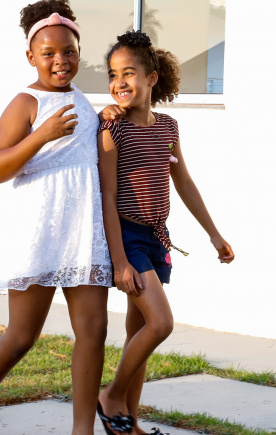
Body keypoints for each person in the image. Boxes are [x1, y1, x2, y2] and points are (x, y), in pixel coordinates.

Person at [0, 0, 127, 435]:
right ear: (31, 57)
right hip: (40, 229)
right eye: (48, 53)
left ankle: (82, 430)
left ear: (79, 53)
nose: (60, 60)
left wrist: (106, 117)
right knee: (22, 335)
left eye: (68, 51)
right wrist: (42, 134)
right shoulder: (25, 103)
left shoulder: (85, 102)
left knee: (94, 330)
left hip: (83, 231)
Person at [96, 30, 235, 435]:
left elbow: (184, 183)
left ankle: (129, 425)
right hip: (129, 238)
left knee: (138, 332)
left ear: (152, 78)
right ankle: (110, 397)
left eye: (129, 73)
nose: (119, 82)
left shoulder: (168, 127)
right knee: (161, 324)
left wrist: (214, 234)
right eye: (112, 75)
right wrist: (120, 259)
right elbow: (107, 196)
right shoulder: (111, 130)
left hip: (158, 238)